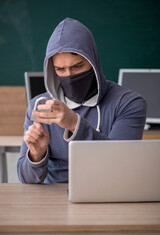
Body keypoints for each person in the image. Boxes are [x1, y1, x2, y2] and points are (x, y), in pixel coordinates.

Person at [17, 18, 147, 183]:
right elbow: (26, 180)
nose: (69, 76)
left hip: (107, 197)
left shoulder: (129, 104)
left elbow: (118, 166)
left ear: (93, 64)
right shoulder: (40, 107)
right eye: (60, 69)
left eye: (77, 67)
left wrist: (75, 124)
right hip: (52, 203)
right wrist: (36, 155)